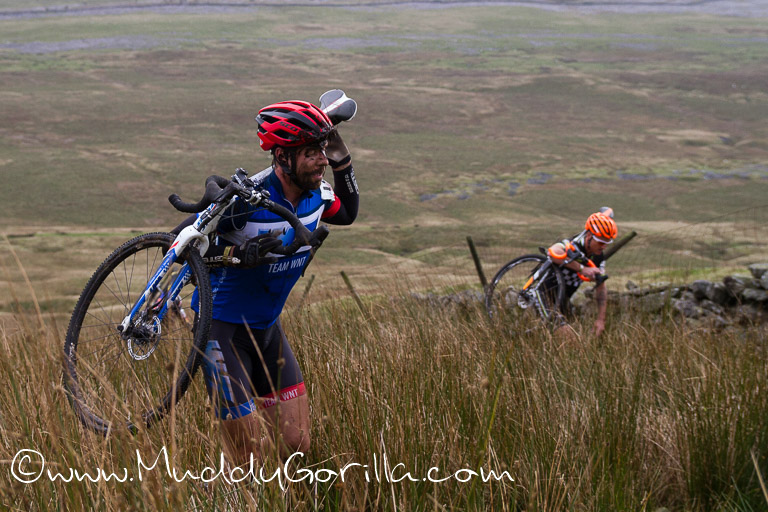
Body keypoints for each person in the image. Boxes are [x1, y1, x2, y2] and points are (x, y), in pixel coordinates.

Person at [171, 100, 358, 466]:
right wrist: (236, 253)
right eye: (311, 153)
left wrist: (343, 160)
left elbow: (348, 213)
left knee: (296, 444)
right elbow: (178, 246)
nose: (321, 161)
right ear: (282, 157)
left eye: (322, 150)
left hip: (267, 329)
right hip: (221, 331)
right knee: (246, 458)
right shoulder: (246, 200)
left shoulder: (318, 195)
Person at [545, 207, 617, 341]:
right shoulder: (574, 244)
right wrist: (582, 269)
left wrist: (600, 320)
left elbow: (601, 286)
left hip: (563, 300)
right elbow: (552, 252)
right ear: (589, 236)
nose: (603, 247)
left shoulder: (598, 257)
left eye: (607, 243)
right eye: (601, 242)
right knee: (571, 340)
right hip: (544, 295)